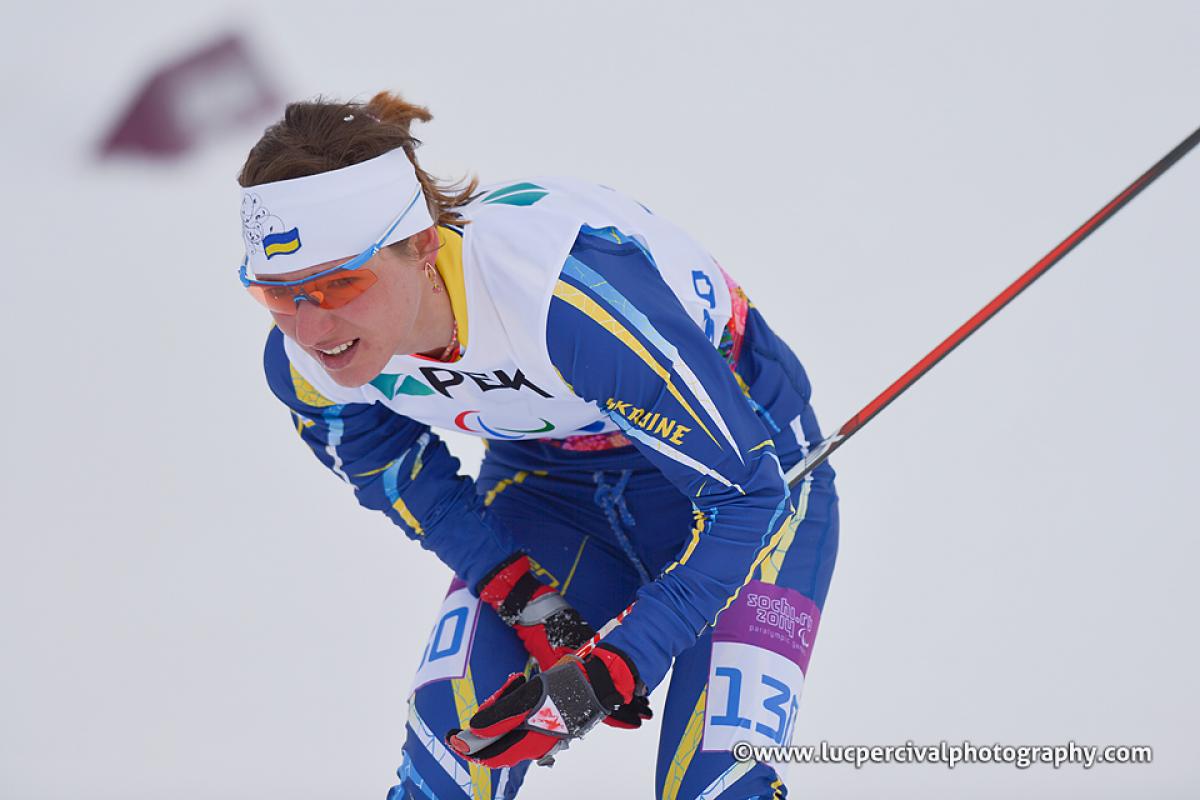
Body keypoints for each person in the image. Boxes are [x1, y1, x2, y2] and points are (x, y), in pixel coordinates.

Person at [236, 91, 839, 800]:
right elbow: (398, 472)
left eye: (343, 282)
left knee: (716, 788)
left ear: (424, 243)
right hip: (551, 490)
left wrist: (619, 664)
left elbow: (747, 499)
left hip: (751, 480)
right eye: (277, 294)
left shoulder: (563, 302)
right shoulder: (307, 365)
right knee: (444, 777)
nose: (313, 331)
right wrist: (521, 595)